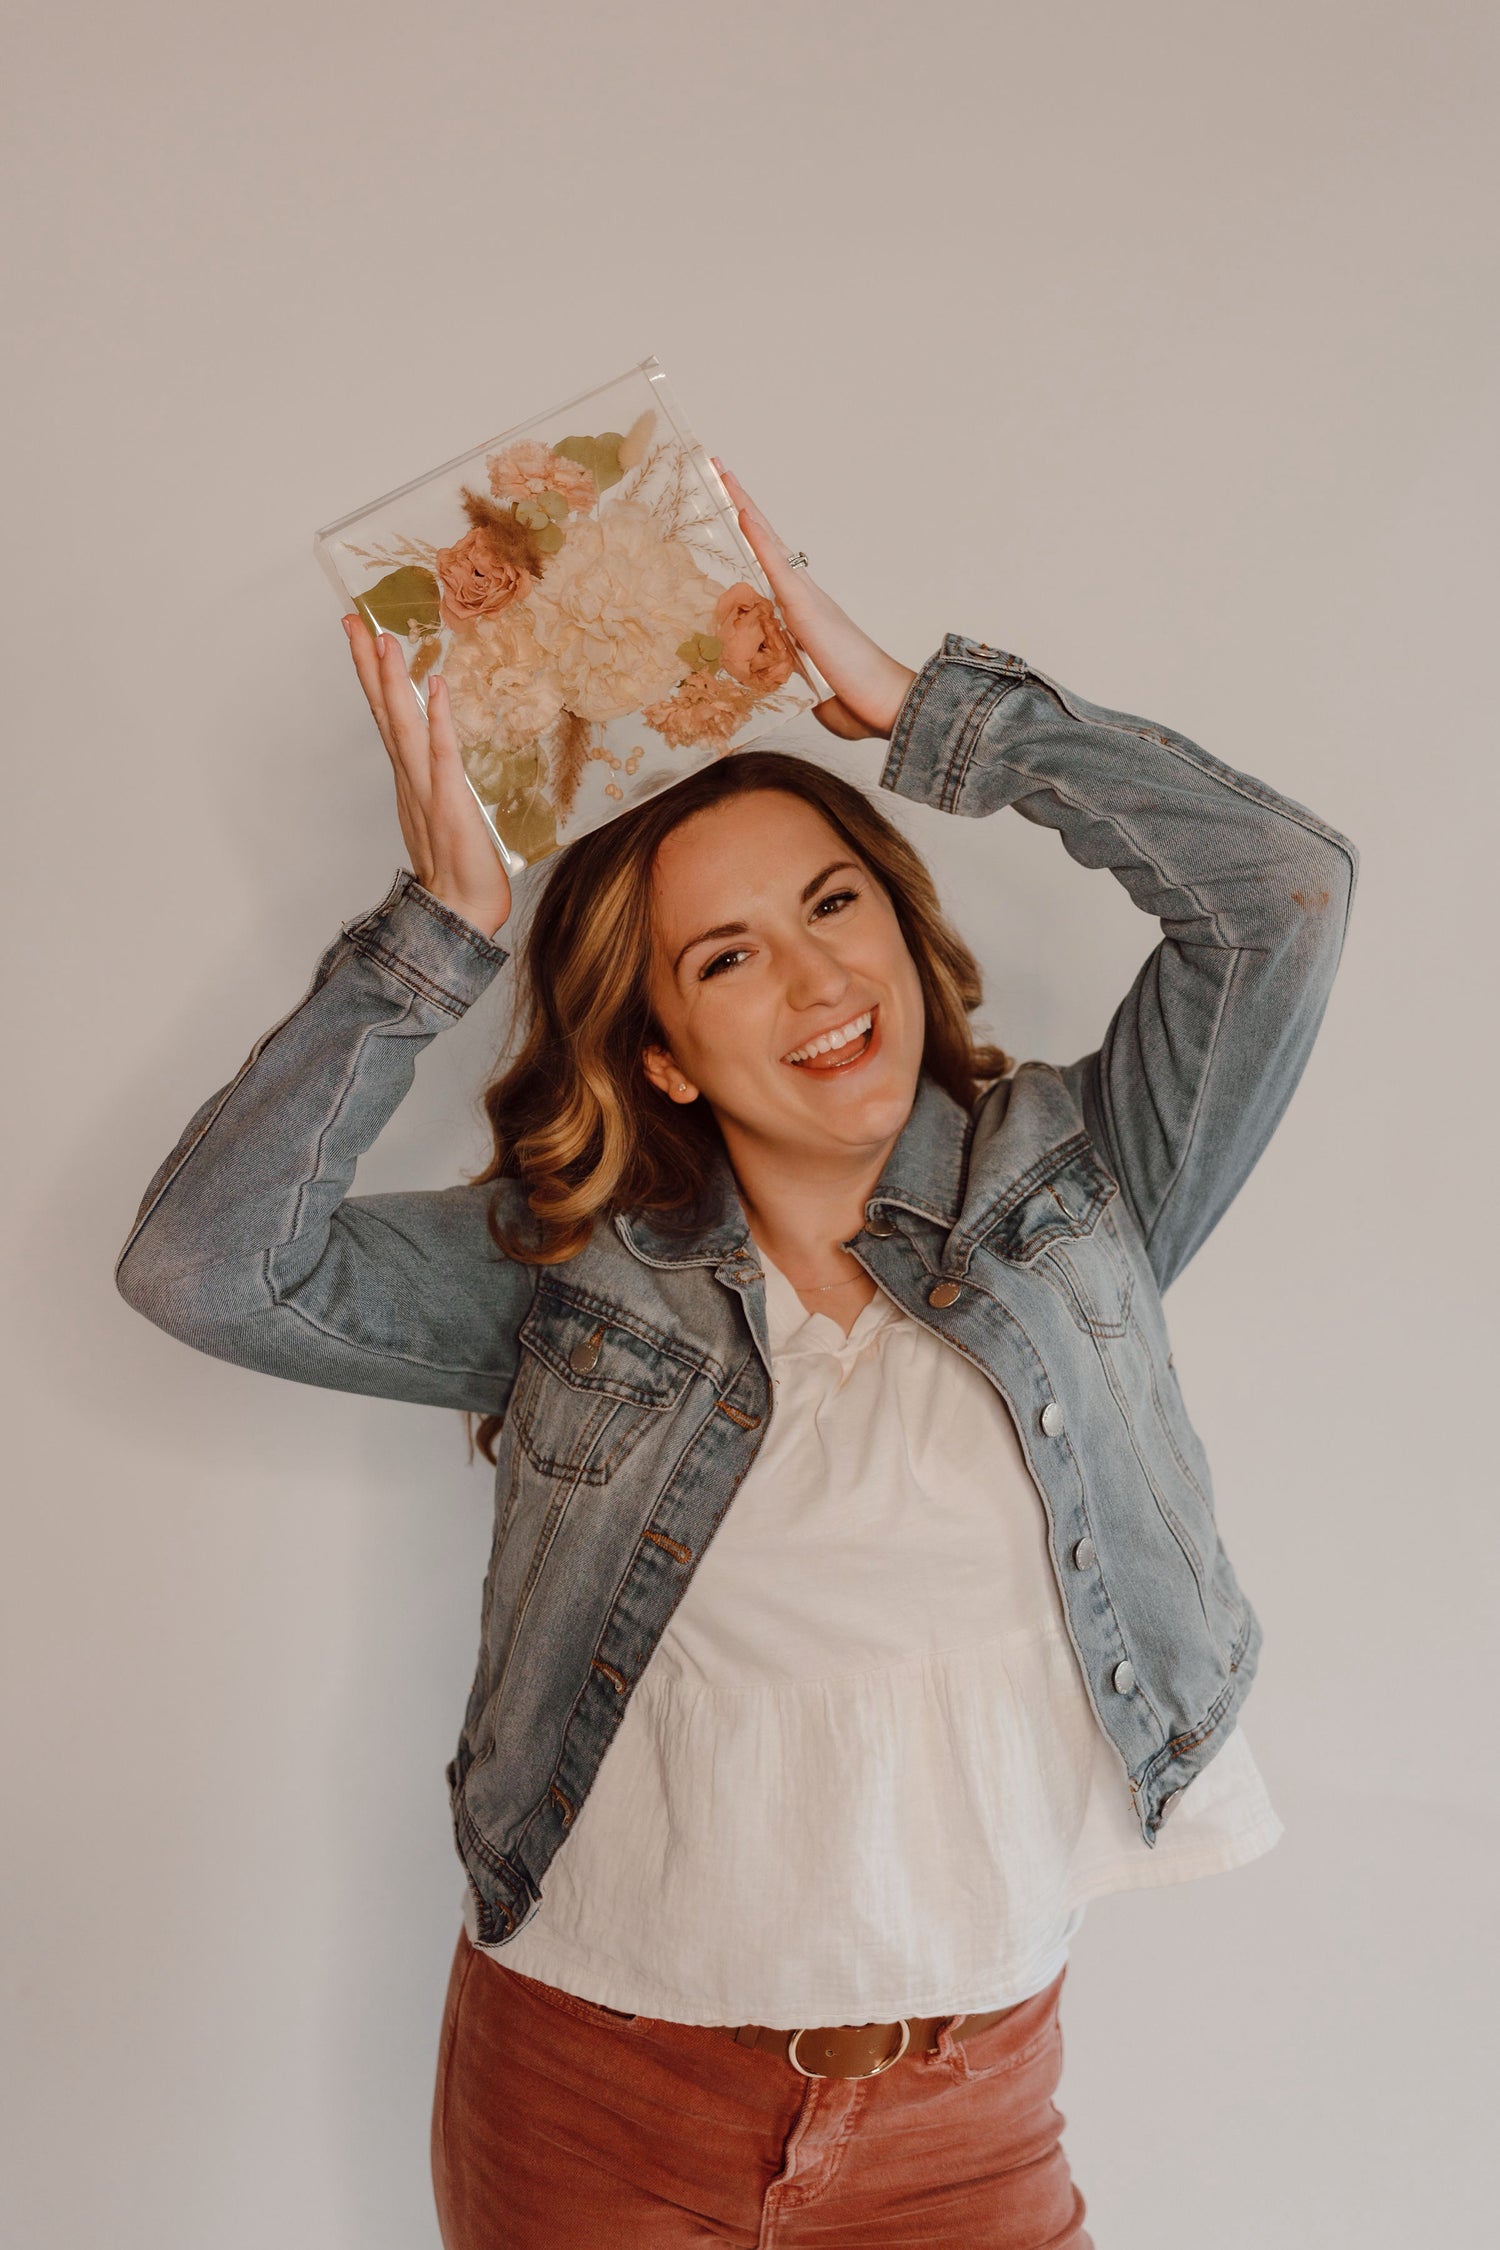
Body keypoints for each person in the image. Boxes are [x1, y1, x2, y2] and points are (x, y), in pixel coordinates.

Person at [115, 464, 1358, 2248]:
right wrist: (439, 933)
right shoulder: (578, 1281)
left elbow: (1284, 894)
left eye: (834, 902)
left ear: (903, 923)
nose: (814, 979)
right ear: (670, 1056)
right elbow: (206, 1265)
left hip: (968, 2115)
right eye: (728, 956)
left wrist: (924, 711)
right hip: (599, 2098)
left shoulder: (1084, 1190)